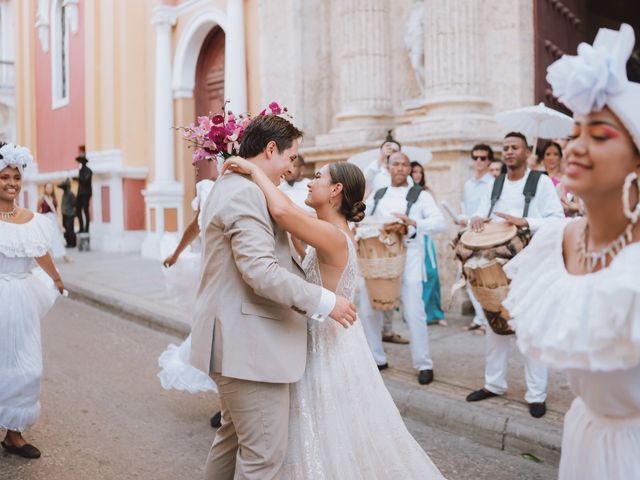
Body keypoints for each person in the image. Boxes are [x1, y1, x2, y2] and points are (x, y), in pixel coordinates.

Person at [221, 154, 445, 479]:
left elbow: (284, 212)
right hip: (324, 337)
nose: (309, 181)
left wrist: (255, 169)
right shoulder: (327, 229)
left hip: (326, 346)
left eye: (319, 177)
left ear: (336, 189)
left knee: (325, 429)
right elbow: (296, 231)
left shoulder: (335, 236)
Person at [504, 24, 640, 479]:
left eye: (599, 135)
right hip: (585, 441)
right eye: (575, 132)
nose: (576, 146)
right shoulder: (557, 242)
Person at [188, 114, 357, 480]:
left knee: (232, 441)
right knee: (263, 458)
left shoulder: (236, 184)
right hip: (248, 346)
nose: (293, 169)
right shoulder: (245, 192)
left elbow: (283, 221)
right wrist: (327, 302)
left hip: (242, 344)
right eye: (292, 158)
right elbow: (261, 272)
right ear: (270, 150)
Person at [466, 131, 564, 418]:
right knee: (495, 325)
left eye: (515, 147)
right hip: (495, 264)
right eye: (506, 147)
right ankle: (493, 384)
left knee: (530, 328)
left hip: (530, 263)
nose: (509, 152)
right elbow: (481, 215)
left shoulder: (541, 182)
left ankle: (537, 394)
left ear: (526, 153)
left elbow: (557, 221)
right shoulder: (495, 183)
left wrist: (526, 221)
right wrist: (477, 219)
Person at [0, 142, 64, 459]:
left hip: (22, 300)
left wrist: (56, 278)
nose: (11, 183)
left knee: (27, 368)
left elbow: (40, 252)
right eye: (4, 177)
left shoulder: (32, 220)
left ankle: (14, 433)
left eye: (16, 177)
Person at [360, 151, 446, 384]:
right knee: (368, 309)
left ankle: (424, 364)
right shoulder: (377, 194)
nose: (399, 168)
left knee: (414, 312)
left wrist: (414, 224)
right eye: (395, 164)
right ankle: (377, 358)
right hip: (378, 259)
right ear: (388, 167)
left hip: (410, 258)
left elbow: (439, 222)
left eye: (404, 164)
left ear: (409, 168)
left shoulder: (420, 195)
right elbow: (360, 217)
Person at [159, 177, 221, 429]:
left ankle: (230, 405)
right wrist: (176, 253)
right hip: (211, 274)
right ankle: (227, 404)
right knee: (213, 336)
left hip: (228, 273)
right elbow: (195, 226)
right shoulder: (206, 188)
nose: (196, 165)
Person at [458, 144, 495, 334]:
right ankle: (479, 317)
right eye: (475, 157)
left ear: (489, 161)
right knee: (470, 277)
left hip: (486, 235)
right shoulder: (468, 184)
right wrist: (462, 218)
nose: (479, 161)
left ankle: (487, 321)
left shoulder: (493, 183)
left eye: (483, 158)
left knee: (486, 278)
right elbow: (465, 207)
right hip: (468, 233)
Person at [410, 161, 446, 326]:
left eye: (419, 172)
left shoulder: (426, 192)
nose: (417, 175)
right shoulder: (405, 193)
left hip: (425, 236)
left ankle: (434, 313)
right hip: (413, 238)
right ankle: (419, 312)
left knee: (432, 274)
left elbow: (435, 216)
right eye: (414, 171)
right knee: (417, 277)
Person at [38, 182, 71, 262]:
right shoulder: (42, 198)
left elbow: (56, 211)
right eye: (47, 187)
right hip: (45, 219)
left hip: (53, 219)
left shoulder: (54, 198)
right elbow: (38, 210)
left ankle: (64, 256)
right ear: (45, 188)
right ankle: (49, 256)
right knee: (47, 239)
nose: (49, 189)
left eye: (51, 188)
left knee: (57, 238)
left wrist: (59, 223)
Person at [364, 131, 402, 197]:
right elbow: (365, 180)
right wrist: (382, 157)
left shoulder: (406, 176)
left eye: (394, 151)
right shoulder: (374, 172)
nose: (390, 153)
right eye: (387, 149)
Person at [75, 147, 92, 233]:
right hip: (80, 193)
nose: (81, 162)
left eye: (82, 160)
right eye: (80, 160)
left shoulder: (89, 171)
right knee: (78, 210)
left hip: (86, 193)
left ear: (85, 161)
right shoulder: (80, 171)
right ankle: (81, 228)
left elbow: (86, 180)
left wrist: (78, 179)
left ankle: (86, 229)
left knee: (85, 210)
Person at [57, 178, 76, 247]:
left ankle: (72, 243)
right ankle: (68, 243)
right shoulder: (64, 194)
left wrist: (73, 212)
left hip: (70, 214)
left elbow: (75, 204)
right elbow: (58, 185)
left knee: (70, 229)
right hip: (64, 214)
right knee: (66, 229)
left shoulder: (71, 194)